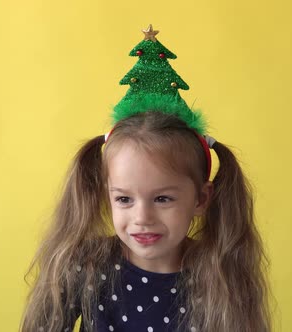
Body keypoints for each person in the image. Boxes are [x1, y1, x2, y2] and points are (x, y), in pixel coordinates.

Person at [21, 26, 272, 332]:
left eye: (162, 198)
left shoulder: (219, 277)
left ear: (201, 199)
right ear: (107, 195)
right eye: (124, 199)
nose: (142, 217)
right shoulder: (84, 267)